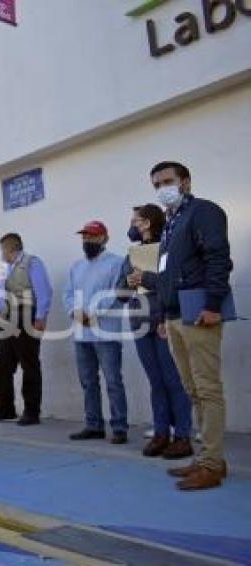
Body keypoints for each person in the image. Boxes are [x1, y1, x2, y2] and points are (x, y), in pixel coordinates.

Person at [149, 161, 233, 490]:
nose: (162, 188)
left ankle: (212, 464)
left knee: (208, 389)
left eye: (167, 181)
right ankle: (206, 458)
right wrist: (164, 317)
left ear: (185, 181)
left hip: (199, 312)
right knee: (193, 390)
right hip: (176, 316)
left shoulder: (203, 211)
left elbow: (218, 257)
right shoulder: (172, 222)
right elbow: (169, 275)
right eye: (156, 184)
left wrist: (213, 304)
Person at [117, 204, 193, 459]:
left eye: (135, 220)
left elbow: (173, 285)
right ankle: (161, 433)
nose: (132, 225)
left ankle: (183, 435)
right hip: (140, 325)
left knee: (174, 380)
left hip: (165, 322)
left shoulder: (168, 249)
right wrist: (128, 283)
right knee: (156, 381)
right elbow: (121, 294)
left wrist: (164, 317)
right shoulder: (131, 255)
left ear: (147, 222)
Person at [63, 221, 128, 444]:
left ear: (104, 238)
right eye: (84, 237)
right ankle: (94, 425)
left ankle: (119, 427)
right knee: (88, 381)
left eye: (92, 236)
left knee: (113, 381)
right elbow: (68, 293)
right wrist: (74, 312)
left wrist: (93, 313)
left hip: (106, 332)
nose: (87, 241)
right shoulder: (76, 266)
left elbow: (116, 292)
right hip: (81, 333)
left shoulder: (117, 263)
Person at [0, 233, 52, 425]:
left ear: (11, 247)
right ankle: (6, 409)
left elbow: (44, 291)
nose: (2, 253)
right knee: (2, 364)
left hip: (26, 316)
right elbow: (4, 295)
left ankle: (31, 412)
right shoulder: (6, 268)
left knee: (29, 364)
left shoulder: (32, 263)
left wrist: (40, 317)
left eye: (3, 249)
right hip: (8, 319)